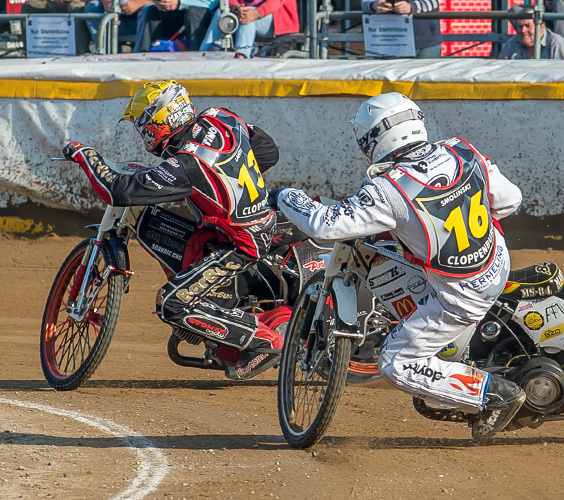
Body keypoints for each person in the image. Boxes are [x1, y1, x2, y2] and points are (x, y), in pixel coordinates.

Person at [269, 92, 527, 439]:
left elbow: (324, 225)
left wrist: (286, 195)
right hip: (496, 259)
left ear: (372, 139)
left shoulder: (388, 189)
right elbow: (510, 201)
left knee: (395, 363)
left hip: (462, 295)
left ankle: (493, 395)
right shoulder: (460, 150)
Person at [62, 80, 283, 380]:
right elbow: (268, 152)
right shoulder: (220, 116)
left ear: (163, 119)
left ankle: (264, 340)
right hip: (257, 220)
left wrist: (86, 156)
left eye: (145, 124)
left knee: (170, 303)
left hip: (242, 244)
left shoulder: (185, 163)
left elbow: (119, 191)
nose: (144, 132)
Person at [199, 0, 299, 58]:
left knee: (247, 18)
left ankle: (242, 56)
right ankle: (205, 52)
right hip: (245, 12)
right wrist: (235, 6)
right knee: (221, 13)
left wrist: (258, 13)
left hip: (275, 17)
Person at [361, 0, 442, 58]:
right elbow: (364, 4)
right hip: (387, 42)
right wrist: (373, 5)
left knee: (425, 81)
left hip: (425, 40)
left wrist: (412, 7)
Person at [133, 0, 217, 51]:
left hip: (205, 14)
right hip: (177, 12)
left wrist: (181, 2)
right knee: (150, 11)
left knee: (194, 13)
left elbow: (214, 2)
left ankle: (197, 60)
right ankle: (145, 56)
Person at [499, 6, 564, 60]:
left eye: (528, 26)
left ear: (541, 27)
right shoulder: (512, 43)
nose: (523, 30)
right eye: (520, 26)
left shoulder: (556, 44)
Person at [84, 0, 149, 48]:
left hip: (143, 20)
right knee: (93, 6)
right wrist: (105, 2)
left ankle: (141, 53)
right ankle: (105, 54)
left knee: (148, 8)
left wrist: (141, 3)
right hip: (116, 18)